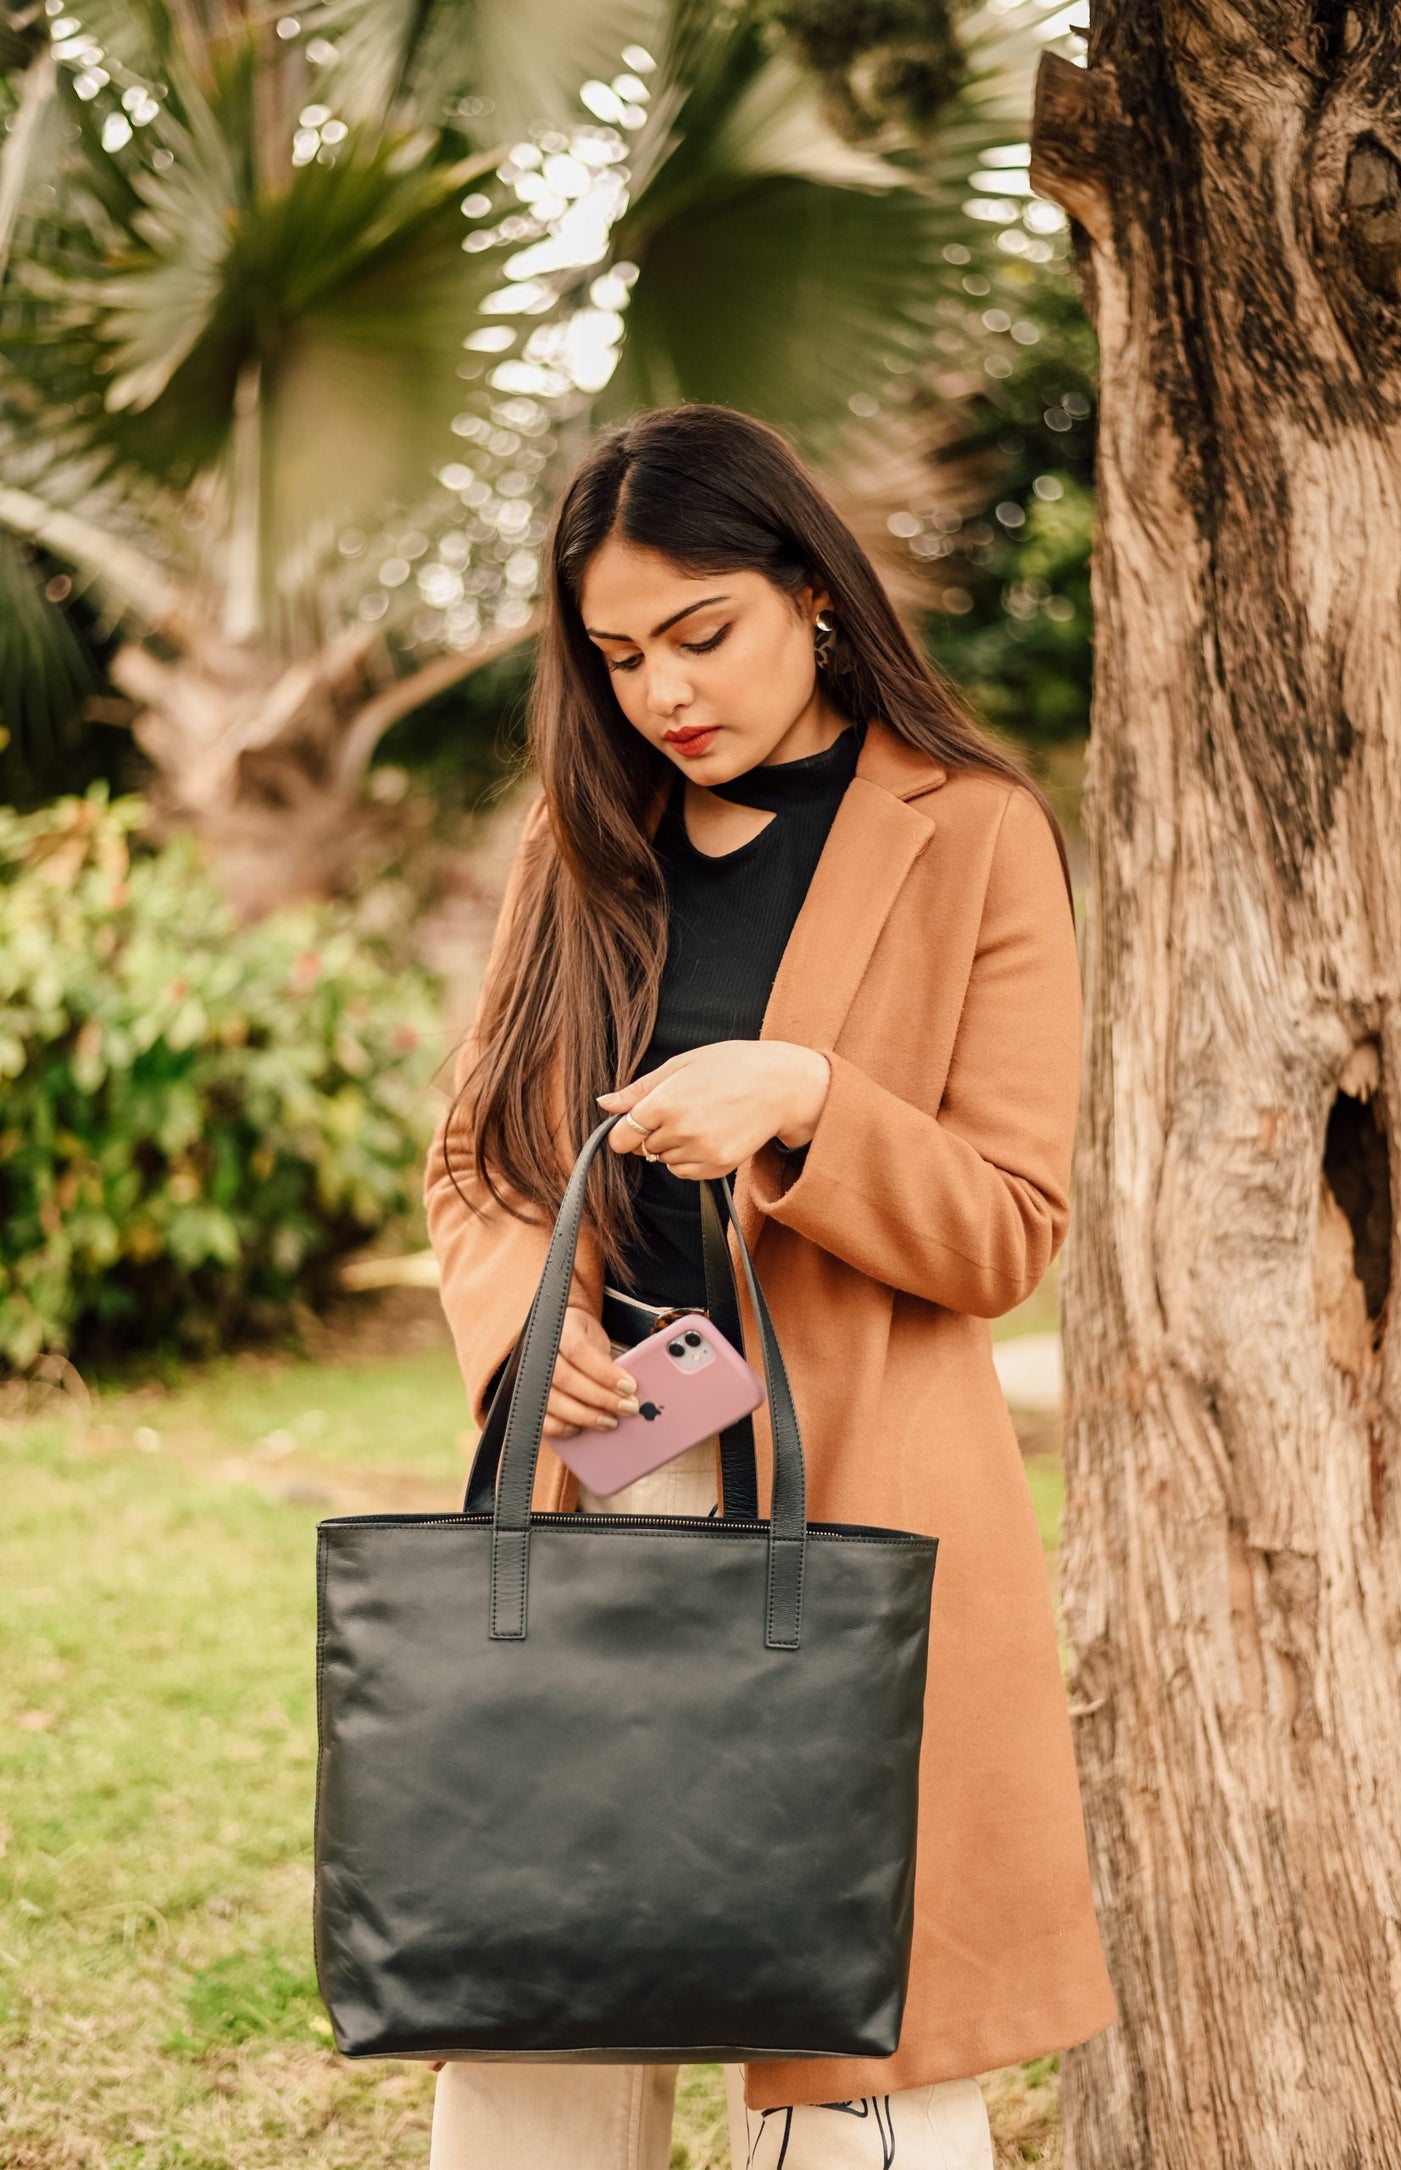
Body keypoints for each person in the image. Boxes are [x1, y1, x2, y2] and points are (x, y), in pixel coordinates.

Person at [422, 401, 1118, 2170]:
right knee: (545, 2010)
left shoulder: (969, 829)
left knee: (842, 2039)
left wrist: (806, 1099)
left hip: (854, 1495)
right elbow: (478, 1161)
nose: (663, 689)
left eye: (700, 631)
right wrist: (526, 1323)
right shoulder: (579, 842)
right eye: (618, 652)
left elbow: (1009, 1224)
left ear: (809, 587)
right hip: (608, 1480)